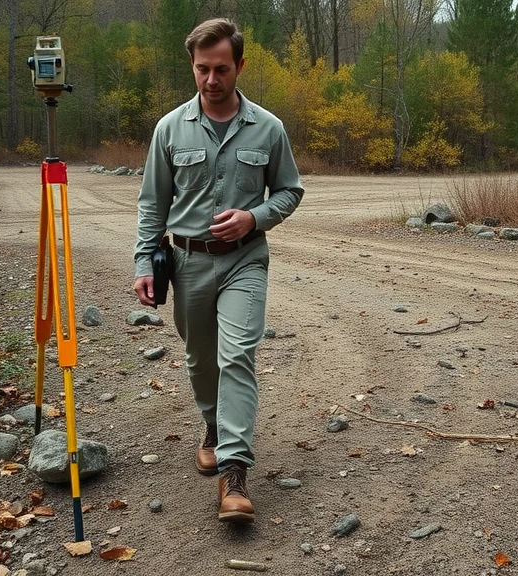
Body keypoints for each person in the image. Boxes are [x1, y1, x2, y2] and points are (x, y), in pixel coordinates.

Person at [133, 18, 303, 524]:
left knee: (238, 358)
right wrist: (146, 259)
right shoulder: (169, 128)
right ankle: (212, 426)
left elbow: (291, 191)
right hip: (185, 263)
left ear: (240, 66)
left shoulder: (269, 128)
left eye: (221, 69)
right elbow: (151, 204)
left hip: (245, 261)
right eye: (203, 69)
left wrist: (255, 216)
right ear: (192, 66)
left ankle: (235, 474)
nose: (211, 79)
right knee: (200, 361)